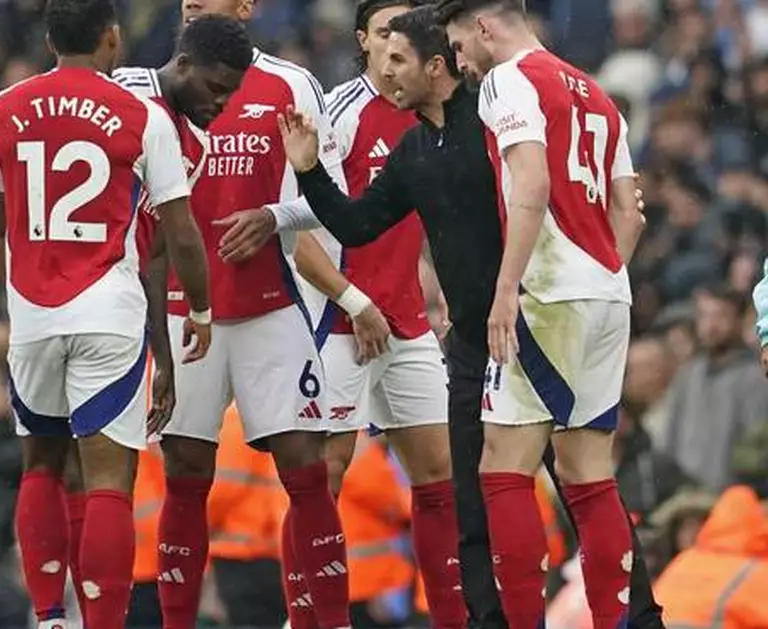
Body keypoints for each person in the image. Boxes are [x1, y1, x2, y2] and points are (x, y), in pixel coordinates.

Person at [271, 5, 663, 629]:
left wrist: (512, 291)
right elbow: (355, 223)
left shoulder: (498, 101)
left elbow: (536, 186)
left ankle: (614, 616)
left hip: (524, 314)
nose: (387, 75)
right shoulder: (416, 150)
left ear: (439, 62)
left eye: (399, 59)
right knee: (530, 489)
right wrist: (309, 168)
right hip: (501, 332)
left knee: (520, 479)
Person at [0, 0, 212, 627]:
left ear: (51, 39)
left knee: (42, 465)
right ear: (112, 39)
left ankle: (51, 616)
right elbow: (182, 233)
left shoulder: (5, 106)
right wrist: (204, 309)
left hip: (33, 314)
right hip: (108, 308)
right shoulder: (142, 115)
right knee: (109, 481)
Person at [27, 14, 252, 626]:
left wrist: (163, 357)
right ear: (181, 65)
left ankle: (60, 615)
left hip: (50, 304)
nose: (221, 104)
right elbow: (171, 245)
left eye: (232, 94)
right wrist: (197, 316)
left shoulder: (193, 140)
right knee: (97, 473)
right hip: (89, 300)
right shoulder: (126, 93)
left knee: (65, 465)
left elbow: (150, 252)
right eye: (214, 88)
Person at [140, 3, 353, 628]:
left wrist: (272, 217)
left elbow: (329, 194)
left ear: (247, 6)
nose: (192, 4)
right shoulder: (148, 95)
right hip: (183, 311)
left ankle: (334, 622)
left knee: (307, 470)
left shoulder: (290, 85)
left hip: (269, 309)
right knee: (185, 474)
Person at [438, 1, 642, 627]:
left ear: (482, 26)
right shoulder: (595, 92)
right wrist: (602, 272)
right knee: (588, 472)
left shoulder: (508, 79)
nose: (459, 64)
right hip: (609, 293)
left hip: (547, 290)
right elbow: (629, 211)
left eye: (457, 47)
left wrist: (507, 290)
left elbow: (530, 183)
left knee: (501, 466)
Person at [303, 3, 467, 627]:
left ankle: (453, 618)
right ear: (362, 42)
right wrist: (353, 299)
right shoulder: (336, 113)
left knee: (438, 474)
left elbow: (418, 212)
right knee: (321, 476)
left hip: (404, 318)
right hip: (337, 319)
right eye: (384, 34)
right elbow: (298, 233)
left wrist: (438, 279)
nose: (395, 42)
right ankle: (311, 617)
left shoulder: (426, 115)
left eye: (405, 33)